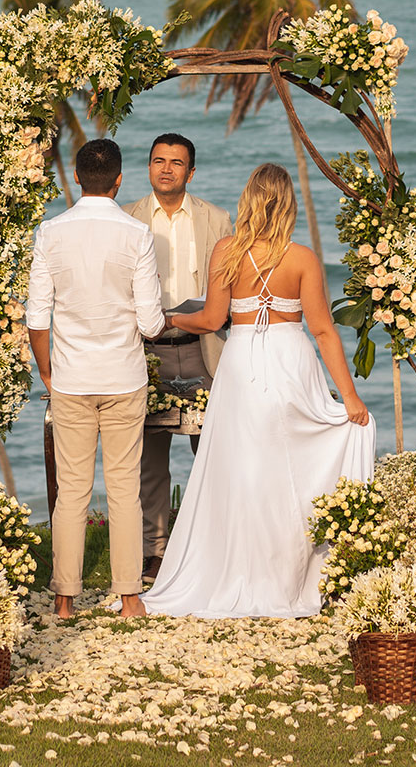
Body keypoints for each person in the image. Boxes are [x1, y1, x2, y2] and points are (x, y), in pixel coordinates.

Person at [141, 163, 376, 619]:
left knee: (245, 469)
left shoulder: (226, 250)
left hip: (244, 363)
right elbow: (325, 333)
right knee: (291, 468)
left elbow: (210, 320)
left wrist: (170, 319)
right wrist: (349, 398)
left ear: (249, 198)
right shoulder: (302, 258)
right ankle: (290, 575)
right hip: (291, 362)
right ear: (287, 204)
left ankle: (240, 570)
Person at [26, 138, 164, 619]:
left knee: (72, 489)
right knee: (124, 487)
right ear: (120, 179)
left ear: (78, 177)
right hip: (124, 377)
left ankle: (64, 598)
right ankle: (130, 598)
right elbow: (150, 323)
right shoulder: (137, 234)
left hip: (69, 379)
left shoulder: (50, 232)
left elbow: (37, 316)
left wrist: (47, 371)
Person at [123, 132, 232, 582]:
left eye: (176, 162)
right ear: (148, 167)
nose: (166, 168)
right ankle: (156, 552)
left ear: (191, 171)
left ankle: (215, 545)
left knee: (213, 451)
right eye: (158, 160)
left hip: (205, 349)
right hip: (146, 352)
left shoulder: (218, 219)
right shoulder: (127, 218)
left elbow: (229, 289)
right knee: (149, 458)